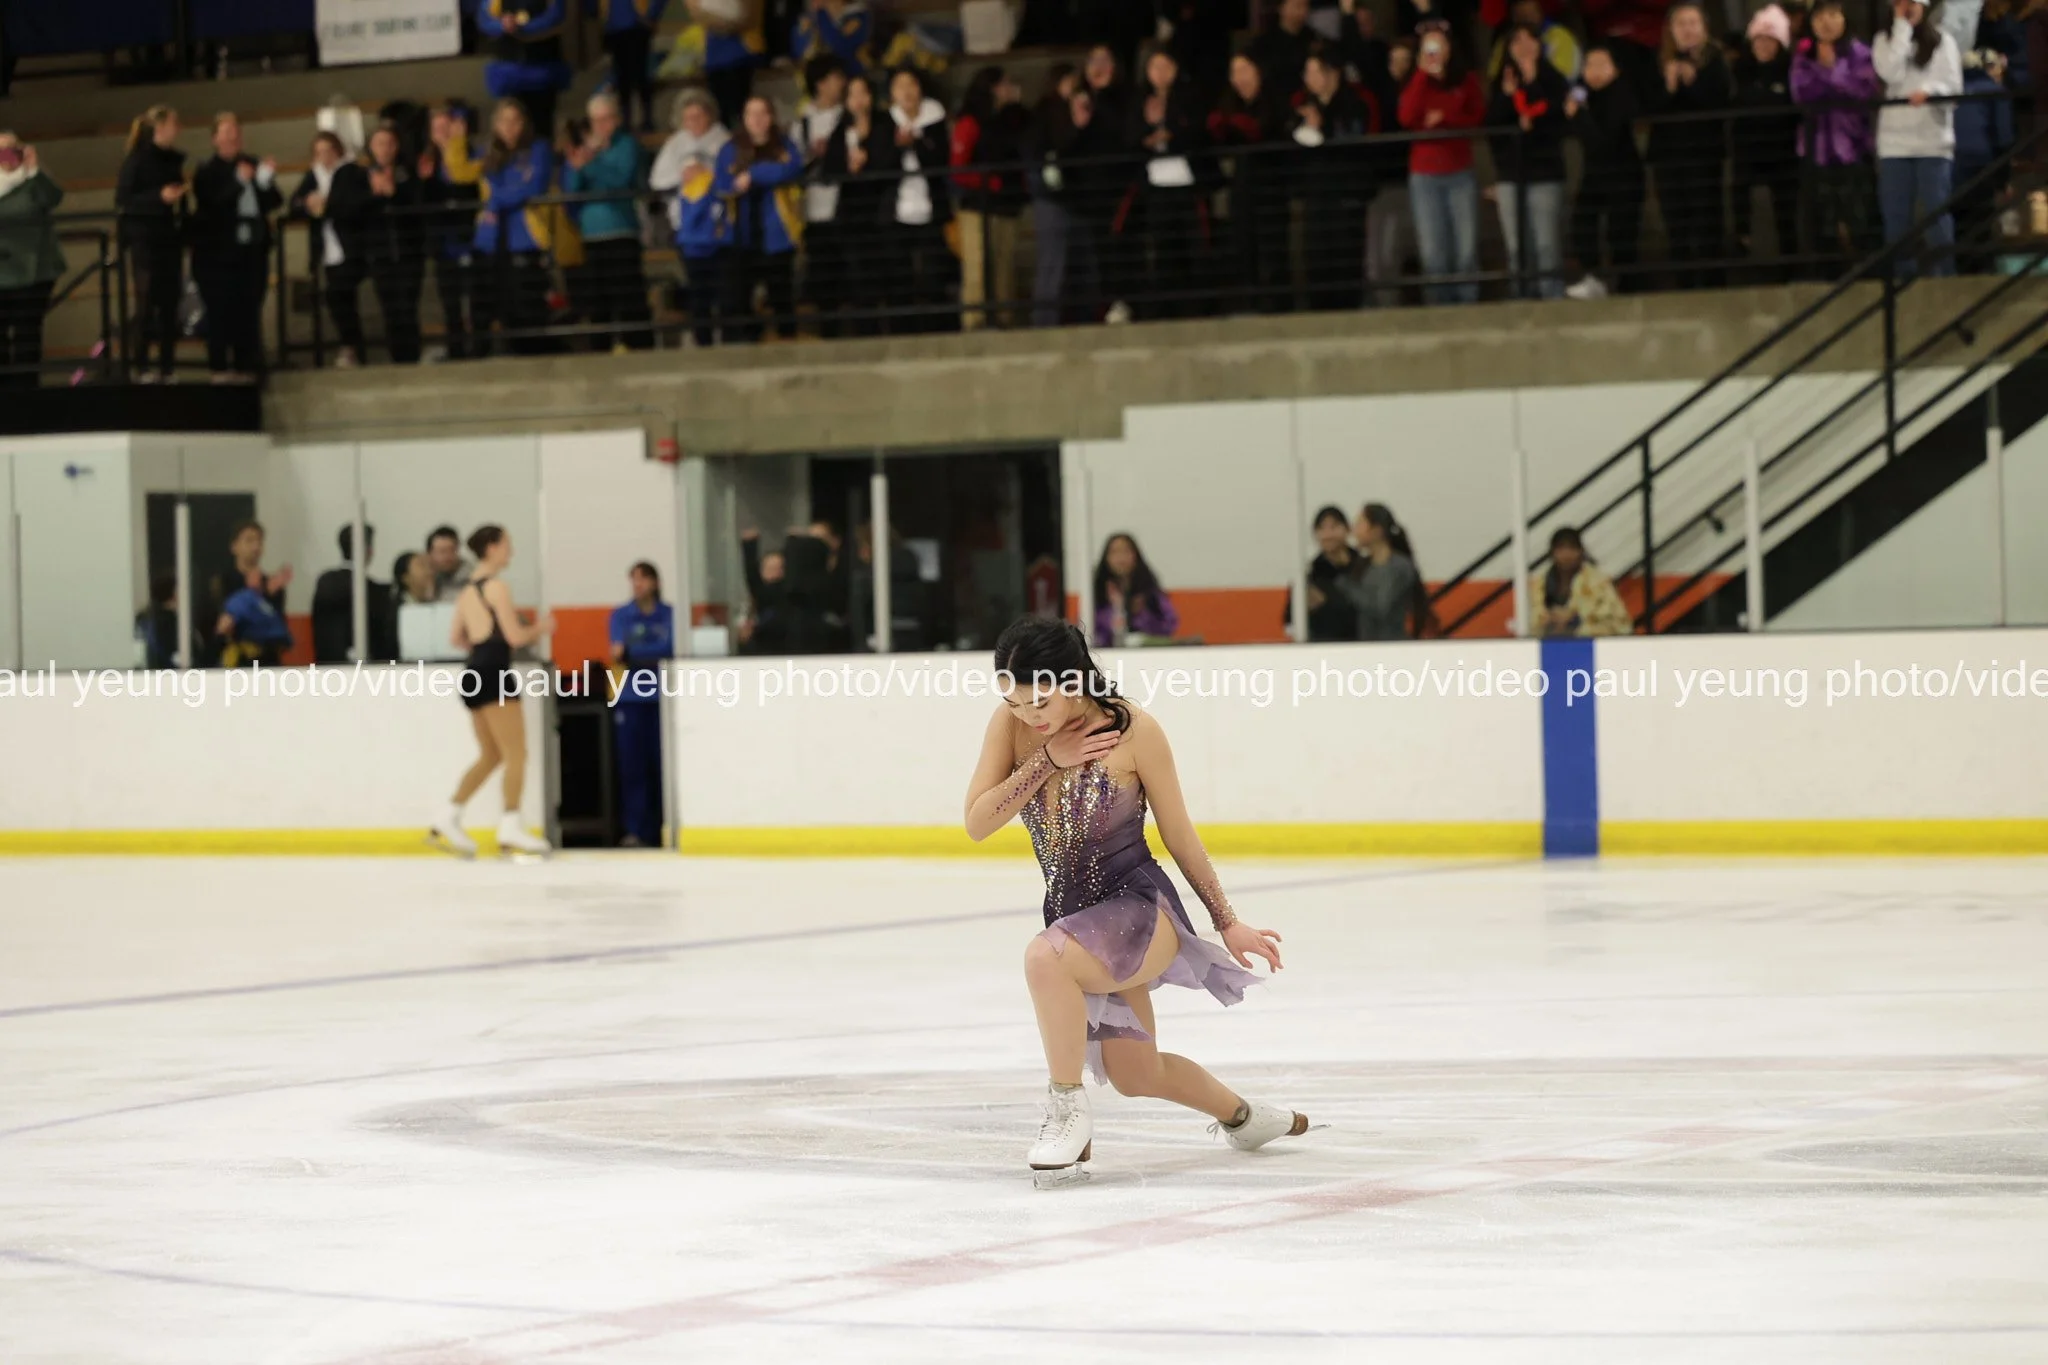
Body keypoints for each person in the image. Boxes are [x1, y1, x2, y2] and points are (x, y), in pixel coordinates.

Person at [962, 617, 1300, 1187]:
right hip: (1077, 916)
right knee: (1137, 1074)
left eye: (1040, 700)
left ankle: (1066, 1110)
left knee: (1044, 958)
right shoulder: (1012, 728)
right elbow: (977, 823)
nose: (1028, 714)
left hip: (1140, 909)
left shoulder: (1135, 731)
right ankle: (1247, 1118)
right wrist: (1048, 759)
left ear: (1074, 679)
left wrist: (1226, 920)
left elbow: (1179, 835)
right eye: (1014, 701)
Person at [430, 524, 555, 858]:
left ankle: (448, 816)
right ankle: (511, 825)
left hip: (473, 672)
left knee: (492, 755)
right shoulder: (497, 587)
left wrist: (482, 638)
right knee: (516, 754)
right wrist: (541, 628)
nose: (510, 551)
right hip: (494, 673)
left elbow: (456, 638)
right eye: (506, 544)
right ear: (491, 548)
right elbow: (515, 637)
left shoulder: (466, 592)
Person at [187, 114, 280, 383]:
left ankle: (247, 364)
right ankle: (220, 366)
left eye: (236, 132)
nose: (232, 137)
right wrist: (238, 181)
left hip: (252, 250)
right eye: (226, 132)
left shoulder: (252, 162)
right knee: (220, 311)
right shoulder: (206, 170)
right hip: (218, 254)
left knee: (249, 309)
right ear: (215, 138)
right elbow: (211, 204)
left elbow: (274, 201)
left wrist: (264, 182)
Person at [1873, 0, 1963, 277]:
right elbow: (1890, 72)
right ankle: (1902, 282)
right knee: (1896, 219)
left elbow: (1954, 89)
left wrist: (1930, 91)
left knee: (1936, 214)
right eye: (1900, 3)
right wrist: (1901, 29)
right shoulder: (1883, 40)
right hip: (1894, 143)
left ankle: (1946, 279)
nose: (1906, 7)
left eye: (1911, 3)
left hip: (1933, 141)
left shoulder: (1944, 41)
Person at [1791, 0, 1881, 274]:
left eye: (1832, 15)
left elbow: (1863, 91)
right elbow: (1802, 93)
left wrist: (1830, 72)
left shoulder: (1860, 52)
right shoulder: (1803, 54)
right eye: (1819, 16)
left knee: (1861, 221)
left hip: (1853, 148)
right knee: (1821, 226)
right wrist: (1833, 78)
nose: (1826, 22)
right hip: (1815, 150)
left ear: (1844, 18)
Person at [1400, 26, 1486, 304]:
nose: (1434, 53)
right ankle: (1438, 308)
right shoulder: (1416, 80)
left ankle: (1467, 305)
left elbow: (1476, 117)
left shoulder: (1466, 80)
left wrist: (1445, 118)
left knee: (1465, 247)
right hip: (1425, 176)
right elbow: (1406, 116)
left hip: (1460, 172)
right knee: (1432, 250)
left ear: (1449, 49)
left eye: (1439, 46)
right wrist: (1421, 74)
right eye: (1429, 47)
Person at [1649, 3, 1732, 290]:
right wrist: (1670, 86)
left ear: (1704, 29)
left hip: (1704, 154)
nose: (1687, 29)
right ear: (1670, 30)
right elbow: (1649, 108)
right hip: (1668, 156)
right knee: (1675, 221)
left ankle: (1713, 283)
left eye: (1693, 23)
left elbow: (1719, 103)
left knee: (1707, 219)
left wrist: (1693, 81)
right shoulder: (1658, 61)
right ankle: (1683, 281)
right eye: (1681, 23)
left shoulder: (1716, 61)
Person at [564, 93, 654, 351]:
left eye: (606, 119)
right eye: (596, 120)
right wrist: (578, 166)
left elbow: (621, 181)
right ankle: (600, 351)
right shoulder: (586, 147)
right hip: (591, 234)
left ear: (617, 119)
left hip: (621, 231)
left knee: (628, 297)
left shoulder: (627, 145)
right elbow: (573, 190)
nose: (601, 126)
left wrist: (591, 163)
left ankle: (638, 350)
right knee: (597, 300)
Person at [1487, 23, 1570, 298]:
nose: (1523, 45)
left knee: (1547, 245)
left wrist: (1533, 82)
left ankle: (1552, 298)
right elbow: (1492, 128)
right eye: (1516, 41)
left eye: (1529, 39)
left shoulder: (1554, 79)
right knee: (1516, 247)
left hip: (1545, 172)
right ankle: (1522, 299)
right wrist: (1507, 96)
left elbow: (1559, 120)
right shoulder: (1501, 81)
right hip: (1511, 175)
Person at [714, 94, 804, 342]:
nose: (757, 119)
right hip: (740, 236)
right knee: (738, 300)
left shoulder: (784, 145)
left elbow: (792, 169)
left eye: (763, 113)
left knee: (782, 299)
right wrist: (741, 181)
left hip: (777, 236)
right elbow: (722, 183)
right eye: (751, 113)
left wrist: (753, 174)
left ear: (771, 117)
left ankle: (787, 346)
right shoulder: (730, 148)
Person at [1126, 47, 1207, 320]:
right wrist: (1147, 133)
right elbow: (1129, 137)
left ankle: (1195, 307)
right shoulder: (1140, 99)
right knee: (1163, 247)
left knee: (1192, 245)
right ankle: (1167, 307)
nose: (1160, 73)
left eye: (1165, 67)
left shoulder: (1189, 95)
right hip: (1155, 183)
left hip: (1186, 180)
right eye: (1154, 67)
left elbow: (1197, 130)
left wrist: (1170, 129)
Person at [473, 99, 557, 355]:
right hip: (492, 242)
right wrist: (514, 189)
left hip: (526, 239)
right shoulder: (485, 153)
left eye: (515, 121)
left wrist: (498, 198)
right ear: (495, 125)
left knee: (529, 307)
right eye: (504, 121)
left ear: (525, 124)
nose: (509, 127)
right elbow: (485, 184)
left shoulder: (539, 149)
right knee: (499, 307)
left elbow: (534, 187)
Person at [1209, 54, 1291, 314]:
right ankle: (1249, 304)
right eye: (1234, 72)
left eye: (1245, 70)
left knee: (1273, 251)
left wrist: (1246, 127)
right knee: (1243, 247)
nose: (1239, 78)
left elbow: (1273, 136)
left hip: (1271, 189)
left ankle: (1278, 307)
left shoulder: (1275, 101)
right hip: (1242, 189)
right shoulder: (1228, 105)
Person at [651, 88, 733, 345]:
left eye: (699, 116)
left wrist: (706, 173)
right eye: (688, 118)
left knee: (723, 289)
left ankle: (726, 342)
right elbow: (657, 180)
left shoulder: (724, 140)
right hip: (686, 229)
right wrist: (682, 176)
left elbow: (732, 177)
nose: (694, 122)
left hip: (718, 227)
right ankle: (702, 341)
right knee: (697, 290)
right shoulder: (675, 144)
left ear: (710, 115)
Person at [1565, 42, 1646, 298]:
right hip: (1595, 174)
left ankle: (1627, 287)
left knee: (1621, 233)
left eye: (1602, 64)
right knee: (1582, 222)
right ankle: (1594, 278)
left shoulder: (1622, 94)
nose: (1595, 71)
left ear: (1615, 69)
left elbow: (1604, 141)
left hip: (1624, 175)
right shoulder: (1583, 94)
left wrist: (1579, 115)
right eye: (1589, 64)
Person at [951, 66, 1029, 329]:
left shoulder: (1012, 118)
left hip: (1007, 205)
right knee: (978, 265)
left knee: (1004, 267)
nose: (1010, 88)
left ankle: (1004, 319)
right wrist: (990, 182)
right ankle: (976, 320)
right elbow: (958, 169)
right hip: (978, 205)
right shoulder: (970, 121)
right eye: (1005, 84)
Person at [116, 105, 187, 382]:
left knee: (170, 304)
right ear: (160, 127)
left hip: (169, 238)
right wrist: (159, 197)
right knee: (146, 303)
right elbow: (124, 199)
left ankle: (167, 365)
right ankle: (142, 364)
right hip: (145, 240)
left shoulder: (173, 160)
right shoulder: (137, 159)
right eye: (173, 123)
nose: (178, 129)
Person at [1731, 6, 1803, 277]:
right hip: (1747, 152)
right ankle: (1742, 258)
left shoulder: (1791, 72)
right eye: (1758, 39)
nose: (1763, 45)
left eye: (1770, 39)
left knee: (1786, 213)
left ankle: (1791, 268)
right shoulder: (1739, 71)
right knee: (1740, 201)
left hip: (1783, 153)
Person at [291, 132, 373, 368]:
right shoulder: (313, 175)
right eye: (319, 152)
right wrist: (307, 204)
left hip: (349, 247)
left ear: (337, 151)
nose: (324, 156)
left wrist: (325, 205)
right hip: (328, 250)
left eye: (328, 150)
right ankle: (352, 346)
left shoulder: (351, 172)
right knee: (339, 297)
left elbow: (352, 204)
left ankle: (351, 345)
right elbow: (295, 203)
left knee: (339, 295)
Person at [880, 67, 951, 334]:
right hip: (896, 212)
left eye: (912, 84)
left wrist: (917, 143)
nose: (907, 91)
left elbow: (941, 162)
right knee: (899, 278)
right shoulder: (885, 122)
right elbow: (882, 166)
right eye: (900, 86)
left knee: (934, 276)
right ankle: (903, 333)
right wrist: (899, 147)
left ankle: (937, 332)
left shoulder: (935, 118)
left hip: (931, 209)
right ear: (891, 93)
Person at [609, 561, 673, 847]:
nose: (638, 585)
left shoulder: (669, 615)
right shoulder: (621, 616)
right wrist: (642, 654)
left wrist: (635, 653)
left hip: (664, 698)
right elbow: (618, 653)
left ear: (655, 582)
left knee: (661, 764)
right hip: (631, 698)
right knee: (632, 767)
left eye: (643, 579)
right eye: (633, 579)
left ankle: (663, 826)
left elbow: (672, 648)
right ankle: (636, 829)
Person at [821, 73, 889, 335]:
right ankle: (864, 328)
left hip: (881, 210)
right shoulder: (840, 130)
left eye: (863, 93)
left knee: (883, 271)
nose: (858, 100)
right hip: (851, 212)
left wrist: (867, 160)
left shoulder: (884, 124)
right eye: (852, 95)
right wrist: (848, 166)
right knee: (857, 272)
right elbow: (828, 172)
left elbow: (890, 162)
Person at [362, 124, 430, 364]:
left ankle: (412, 356)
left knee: (408, 306)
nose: (384, 149)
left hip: (409, 253)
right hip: (380, 254)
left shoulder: (409, 174)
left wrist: (394, 192)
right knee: (389, 308)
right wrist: (374, 194)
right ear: (371, 147)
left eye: (389, 143)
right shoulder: (362, 177)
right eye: (379, 143)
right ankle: (397, 358)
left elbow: (418, 206)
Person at [423, 102, 486, 360]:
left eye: (446, 127)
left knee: (476, 298)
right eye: (436, 128)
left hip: (471, 236)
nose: (442, 133)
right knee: (450, 302)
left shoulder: (472, 154)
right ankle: (456, 350)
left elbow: (472, 189)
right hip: (443, 242)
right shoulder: (427, 161)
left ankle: (480, 350)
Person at [0, 132, 63, 389]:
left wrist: (34, 168)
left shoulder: (34, 182)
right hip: (2, 271)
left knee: (27, 333)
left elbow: (54, 198)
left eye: (11, 150)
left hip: (34, 273)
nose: (6, 157)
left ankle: (27, 391)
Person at [793, 57, 851, 335]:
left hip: (846, 205)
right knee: (822, 273)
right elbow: (794, 165)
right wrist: (812, 156)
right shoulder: (803, 123)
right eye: (835, 77)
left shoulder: (848, 116)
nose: (841, 83)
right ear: (820, 84)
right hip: (814, 209)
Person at [1953, 46, 2016, 272]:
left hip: (1949, 163)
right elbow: (2003, 138)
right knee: (1981, 222)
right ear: (1990, 68)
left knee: (1958, 223)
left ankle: (1959, 274)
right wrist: (2003, 180)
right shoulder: (1994, 91)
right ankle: (1983, 272)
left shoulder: (1953, 89)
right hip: (1980, 163)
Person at [477, 1, 574, 138]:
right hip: (508, 73)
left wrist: (522, 28)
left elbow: (556, 15)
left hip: (542, 71)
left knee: (542, 128)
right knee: (510, 126)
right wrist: (502, 25)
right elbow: (484, 19)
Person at [208, 520, 293, 667]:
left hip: (267, 662)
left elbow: (279, 629)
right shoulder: (222, 583)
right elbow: (220, 626)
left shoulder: (272, 586)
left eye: (259, 541)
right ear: (234, 547)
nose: (255, 546)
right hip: (234, 662)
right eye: (249, 540)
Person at [312, 524, 399, 663]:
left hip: (325, 667)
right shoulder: (373, 591)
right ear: (369, 550)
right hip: (366, 667)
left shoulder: (326, 581)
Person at [1344, 502, 1430, 640]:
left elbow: (1380, 607)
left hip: (1393, 644)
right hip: (1367, 644)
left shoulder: (1399, 566)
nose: (1354, 531)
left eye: (1360, 524)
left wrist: (1346, 587)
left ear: (1376, 530)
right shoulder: (1363, 565)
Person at [1529, 526, 1633, 636]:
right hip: (1550, 640)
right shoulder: (1540, 583)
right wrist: (1550, 619)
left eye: (1572, 548)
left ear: (1581, 551)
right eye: (1561, 549)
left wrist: (1575, 619)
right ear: (1552, 553)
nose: (1566, 555)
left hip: (1591, 642)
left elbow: (1621, 625)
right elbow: (1532, 623)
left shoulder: (1599, 581)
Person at [1284, 505, 1365, 640]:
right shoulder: (1311, 573)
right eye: (1322, 528)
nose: (1328, 535)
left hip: (1362, 643)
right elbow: (1289, 620)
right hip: (1322, 644)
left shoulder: (1364, 567)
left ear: (1347, 530)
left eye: (1334, 527)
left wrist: (1327, 602)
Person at [589, 0, 669, 132]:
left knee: (641, 75)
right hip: (614, 27)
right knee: (622, 78)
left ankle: (647, 120)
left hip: (638, 25)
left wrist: (652, 15)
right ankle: (625, 121)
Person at [1092, 532, 1178, 645]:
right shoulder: (1095, 591)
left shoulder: (1149, 589)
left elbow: (1169, 623)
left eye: (1126, 551)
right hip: (1105, 651)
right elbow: (1087, 628)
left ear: (1135, 556)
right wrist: (1114, 611)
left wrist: (1140, 614)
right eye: (1115, 552)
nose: (1121, 557)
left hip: (1144, 650)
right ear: (1106, 558)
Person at [1250, 0, 1318, 103]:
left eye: (1306, 5)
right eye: (1297, 6)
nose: (1302, 11)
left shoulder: (1313, 39)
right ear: (1281, 7)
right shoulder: (1263, 42)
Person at [790, 0, 871, 82]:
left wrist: (822, 14)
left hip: (851, 74)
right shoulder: (813, 18)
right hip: (821, 76)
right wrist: (804, 32)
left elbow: (839, 45)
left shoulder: (858, 15)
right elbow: (799, 53)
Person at [427, 524, 473, 599]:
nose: (447, 556)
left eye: (452, 550)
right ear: (430, 554)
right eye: (442, 551)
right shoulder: (427, 576)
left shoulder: (472, 576)